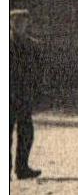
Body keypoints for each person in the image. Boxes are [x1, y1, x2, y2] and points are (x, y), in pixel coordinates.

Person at [10, 9, 43, 180]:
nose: (19, 25)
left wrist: (36, 90)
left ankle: (22, 168)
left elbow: (38, 70)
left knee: (26, 132)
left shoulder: (32, 45)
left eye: (23, 21)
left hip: (24, 95)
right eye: (16, 21)